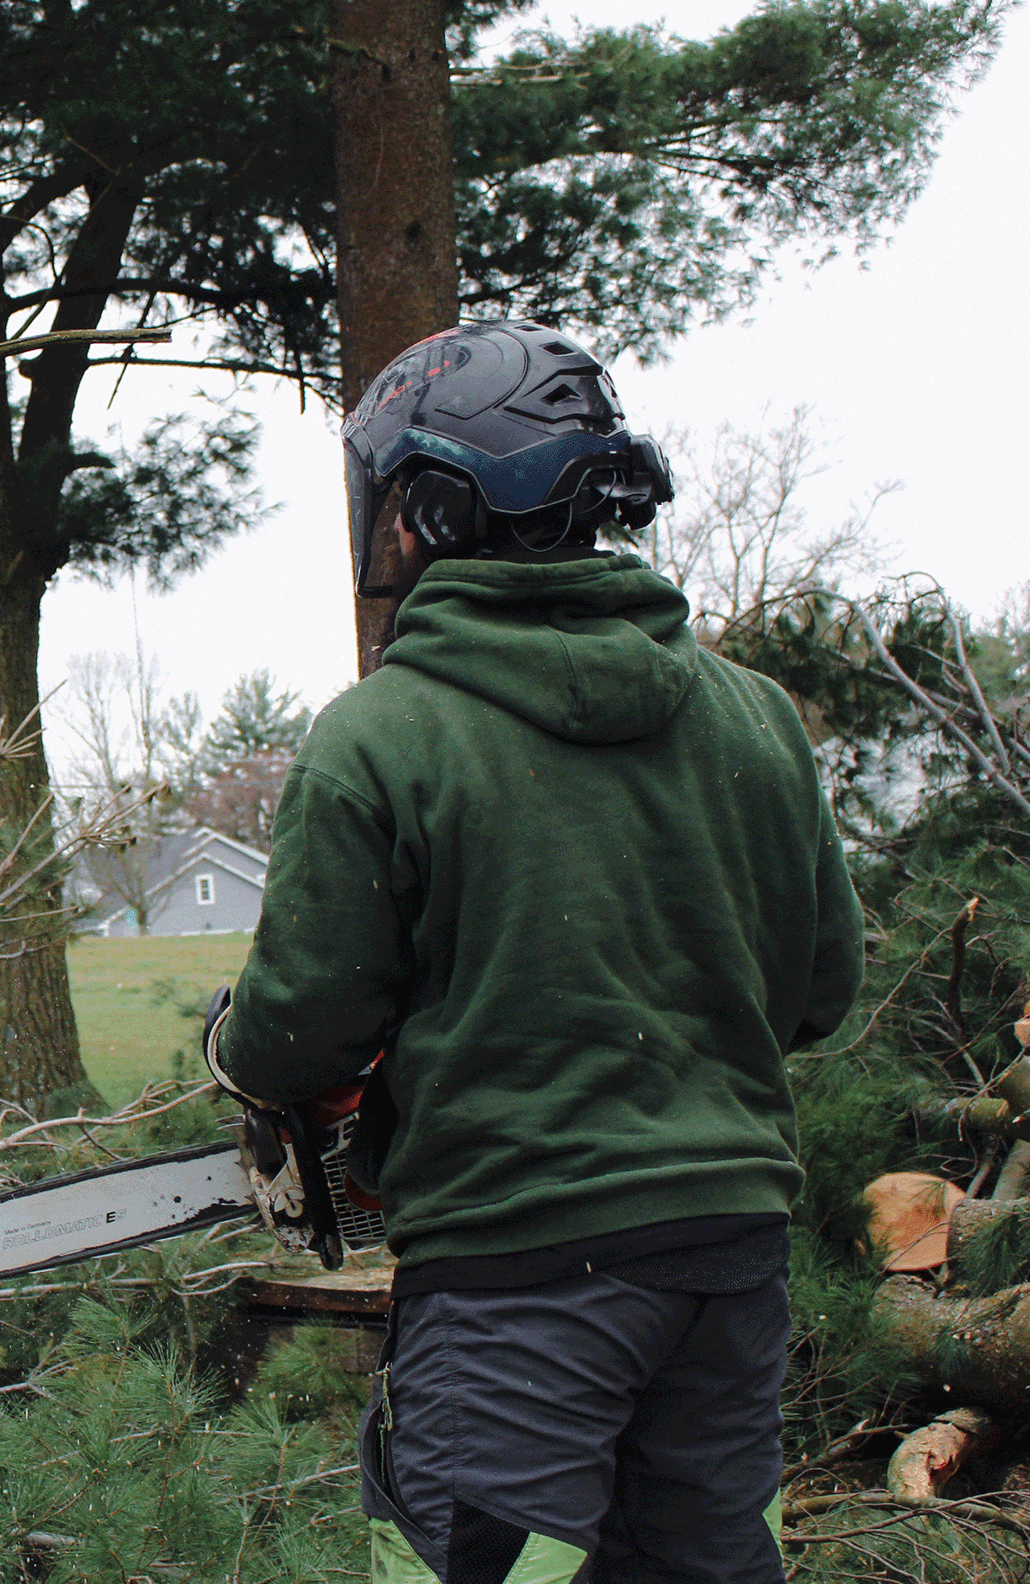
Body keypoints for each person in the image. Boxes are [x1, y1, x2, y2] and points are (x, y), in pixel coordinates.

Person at [207, 320, 864, 1583]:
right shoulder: (755, 719)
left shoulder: (381, 734)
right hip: (727, 1261)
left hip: (515, 1278)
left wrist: (241, 1049)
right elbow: (820, 989)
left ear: (432, 509)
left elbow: (302, 1031)